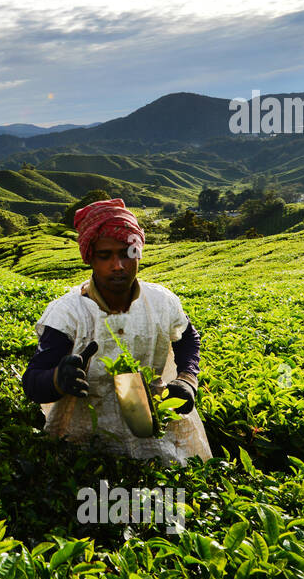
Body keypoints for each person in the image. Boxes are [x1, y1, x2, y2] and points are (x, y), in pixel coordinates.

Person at [22, 198, 212, 463]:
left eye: (127, 253)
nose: (118, 265)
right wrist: (58, 379)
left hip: (153, 435)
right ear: (90, 257)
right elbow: (32, 383)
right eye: (105, 255)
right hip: (84, 442)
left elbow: (187, 338)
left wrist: (187, 379)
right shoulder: (68, 313)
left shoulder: (161, 302)